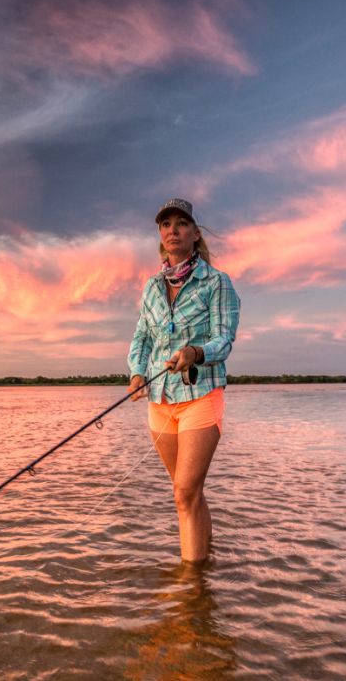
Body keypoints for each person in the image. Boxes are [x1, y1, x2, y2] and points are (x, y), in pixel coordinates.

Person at [127, 198, 240, 564]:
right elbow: (142, 336)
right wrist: (137, 372)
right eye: (165, 225)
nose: (172, 230)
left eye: (180, 223)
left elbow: (224, 338)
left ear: (195, 234)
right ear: (161, 237)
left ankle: (193, 587)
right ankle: (205, 559)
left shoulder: (217, 282)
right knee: (188, 493)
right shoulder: (151, 287)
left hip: (200, 394)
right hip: (159, 401)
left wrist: (194, 352)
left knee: (183, 493)